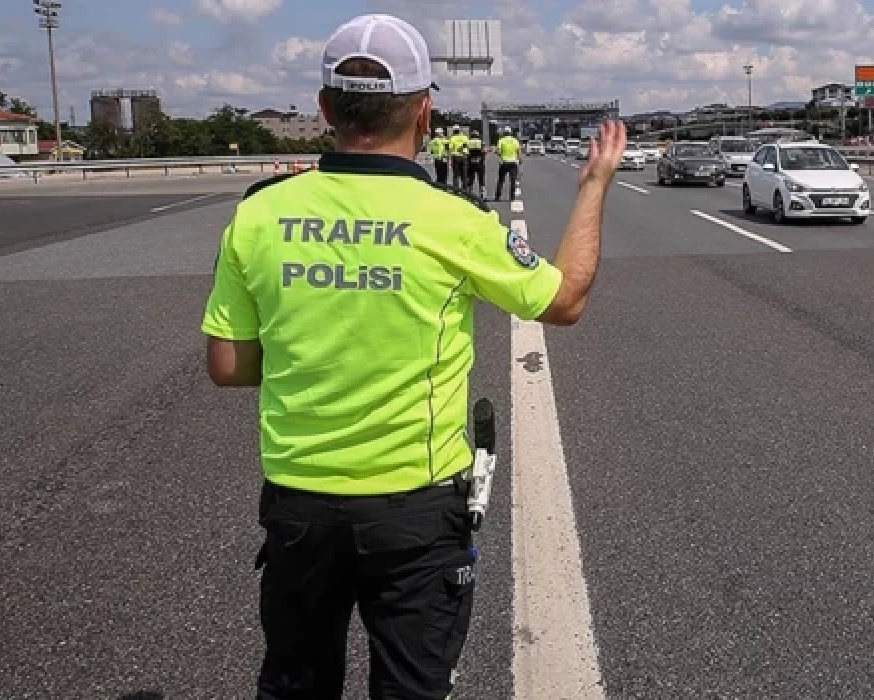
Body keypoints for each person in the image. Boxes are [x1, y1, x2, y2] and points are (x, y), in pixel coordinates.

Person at [198, 12, 627, 700]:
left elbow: (227, 365)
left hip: (299, 507)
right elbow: (565, 299)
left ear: (325, 108)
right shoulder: (454, 220)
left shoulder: (258, 214)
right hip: (415, 511)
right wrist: (593, 187)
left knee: (295, 685)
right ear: (425, 113)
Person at [494, 126, 521, 202]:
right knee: (512, 180)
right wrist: (520, 160)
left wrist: (500, 154)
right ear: (510, 133)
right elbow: (518, 152)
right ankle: (512, 197)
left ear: (504, 133)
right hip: (513, 163)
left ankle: (497, 197)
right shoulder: (515, 141)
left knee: (501, 180)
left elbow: (498, 151)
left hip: (504, 162)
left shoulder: (501, 140)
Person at [465, 129, 486, 198]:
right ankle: (482, 194)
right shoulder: (481, 142)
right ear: (478, 136)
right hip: (480, 162)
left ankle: (469, 193)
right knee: (481, 179)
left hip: (471, 163)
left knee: (470, 178)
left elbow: (465, 152)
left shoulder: (468, 142)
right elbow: (484, 151)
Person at [448, 125, 468, 190]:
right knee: (464, 175)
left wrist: (449, 159)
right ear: (459, 130)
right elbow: (467, 147)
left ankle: (456, 190)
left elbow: (450, 149)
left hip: (455, 157)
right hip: (464, 157)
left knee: (456, 175)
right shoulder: (465, 137)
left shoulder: (452, 138)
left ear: (454, 131)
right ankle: (465, 190)